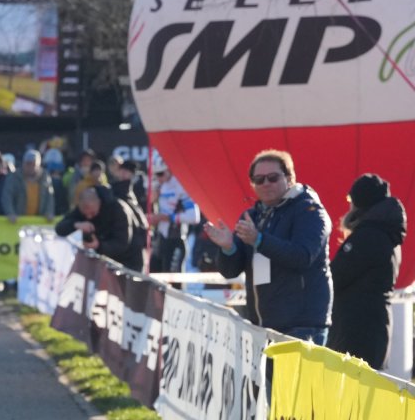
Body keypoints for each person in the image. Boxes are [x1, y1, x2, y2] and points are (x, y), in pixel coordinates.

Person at [205, 149, 332, 343]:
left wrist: (259, 240)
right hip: (262, 327)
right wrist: (228, 248)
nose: (265, 184)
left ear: (289, 178)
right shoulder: (253, 216)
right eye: (259, 180)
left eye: (272, 178)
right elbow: (230, 271)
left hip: (301, 327)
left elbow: (303, 256)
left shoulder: (310, 211)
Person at [328, 174, 407, 369]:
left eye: (350, 200)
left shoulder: (368, 236)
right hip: (373, 328)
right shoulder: (387, 235)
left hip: (356, 331)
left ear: (359, 202)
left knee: (349, 394)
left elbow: (335, 277)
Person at [55, 185, 143, 271]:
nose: (89, 217)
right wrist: (76, 224)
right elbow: (59, 228)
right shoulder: (84, 207)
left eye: (92, 213)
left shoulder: (118, 210)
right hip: (103, 264)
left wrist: (99, 245)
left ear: (99, 203)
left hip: (128, 262)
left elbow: (121, 243)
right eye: (85, 214)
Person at [149, 161, 199, 273]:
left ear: (169, 170)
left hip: (176, 240)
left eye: (161, 173)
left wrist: (167, 218)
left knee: (172, 282)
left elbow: (194, 217)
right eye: (155, 174)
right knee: (155, 279)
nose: (158, 177)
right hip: (160, 240)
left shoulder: (182, 186)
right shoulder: (158, 185)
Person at [1, 149, 54, 220]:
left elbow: (49, 198)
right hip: (18, 221)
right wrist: (10, 213)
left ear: (38, 164)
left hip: (38, 222)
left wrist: (49, 212)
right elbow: (7, 197)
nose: (30, 167)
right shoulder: (13, 177)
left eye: (33, 164)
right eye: (27, 164)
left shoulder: (45, 178)